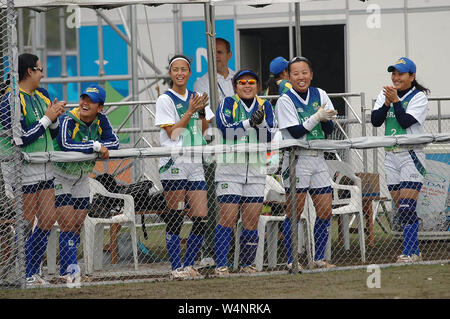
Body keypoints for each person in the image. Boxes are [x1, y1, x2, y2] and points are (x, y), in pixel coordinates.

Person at [0, 53, 66, 284]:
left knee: (48, 219)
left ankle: (31, 271)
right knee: (26, 220)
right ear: (29, 71)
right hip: (22, 166)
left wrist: (55, 118)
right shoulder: (10, 99)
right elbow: (21, 139)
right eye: (40, 69)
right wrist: (47, 119)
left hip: (45, 164)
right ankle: (24, 274)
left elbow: (53, 133)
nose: (43, 73)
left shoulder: (43, 95)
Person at [275, 56, 338, 270]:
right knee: (295, 211)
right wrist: (317, 117)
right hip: (296, 159)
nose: (301, 77)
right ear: (288, 76)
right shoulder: (285, 100)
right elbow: (295, 131)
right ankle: (292, 260)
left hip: (318, 157)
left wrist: (327, 119)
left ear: (311, 74)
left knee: (325, 210)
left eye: (304, 72)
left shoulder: (320, 94)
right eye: (295, 73)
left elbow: (329, 130)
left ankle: (318, 258)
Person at [154, 54, 213, 279]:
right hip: (174, 162)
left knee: (201, 217)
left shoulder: (197, 96)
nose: (180, 73)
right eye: (175, 69)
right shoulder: (165, 100)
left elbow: (205, 131)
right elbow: (173, 132)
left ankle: (188, 265)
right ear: (170, 73)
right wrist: (190, 111)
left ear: (189, 73)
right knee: (176, 215)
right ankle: (175, 267)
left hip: (195, 160)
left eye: (184, 69)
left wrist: (200, 112)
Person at [214, 69, 276, 276]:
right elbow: (226, 131)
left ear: (257, 86)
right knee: (228, 219)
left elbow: (268, 137)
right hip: (230, 169)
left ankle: (247, 265)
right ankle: (221, 265)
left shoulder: (264, 104)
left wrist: (261, 123)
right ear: (235, 86)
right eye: (242, 82)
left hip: (257, 169)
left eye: (251, 82)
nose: (247, 85)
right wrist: (251, 122)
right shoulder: (227, 103)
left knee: (251, 220)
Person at [53, 84, 119, 279]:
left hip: (82, 177)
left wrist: (99, 146)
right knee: (67, 224)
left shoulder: (102, 119)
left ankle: (69, 269)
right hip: (60, 176)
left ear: (100, 107)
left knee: (76, 225)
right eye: (83, 99)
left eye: (91, 101)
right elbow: (66, 144)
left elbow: (114, 143)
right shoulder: (68, 118)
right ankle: (70, 271)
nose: (85, 103)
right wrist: (96, 146)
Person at [371, 57, 429, 263]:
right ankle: (412, 250)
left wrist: (395, 101)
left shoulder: (418, 97)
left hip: (410, 155)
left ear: (412, 77)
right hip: (391, 155)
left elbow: (405, 122)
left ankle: (411, 252)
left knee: (406, 206)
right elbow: (375, 120)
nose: (396, 77)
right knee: (401, 208)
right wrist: (387, 102)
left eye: (401, 74)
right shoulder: (385, 94)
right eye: (393, 73)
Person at [194, 37, 235, 103]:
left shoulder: (238, 78)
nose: (215, 56)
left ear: (229, 55)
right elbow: (205, 111)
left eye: (219, 52)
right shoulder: (201, 84)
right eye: (212, 53)